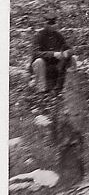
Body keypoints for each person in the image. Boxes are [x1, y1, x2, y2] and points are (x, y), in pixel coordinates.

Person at [31, 14, 73, 143]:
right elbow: (36, 53)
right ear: (45, 24)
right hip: (43, 63)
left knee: (72, 60)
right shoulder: (39, 36)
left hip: (55, 64)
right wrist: (52, 54)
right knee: (39, 61)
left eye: (54, 23)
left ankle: (68, 88)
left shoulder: (58, 36)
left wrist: (67, 52)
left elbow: (68, 48)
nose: (53, 26)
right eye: (50, 23)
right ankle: (41, 91)